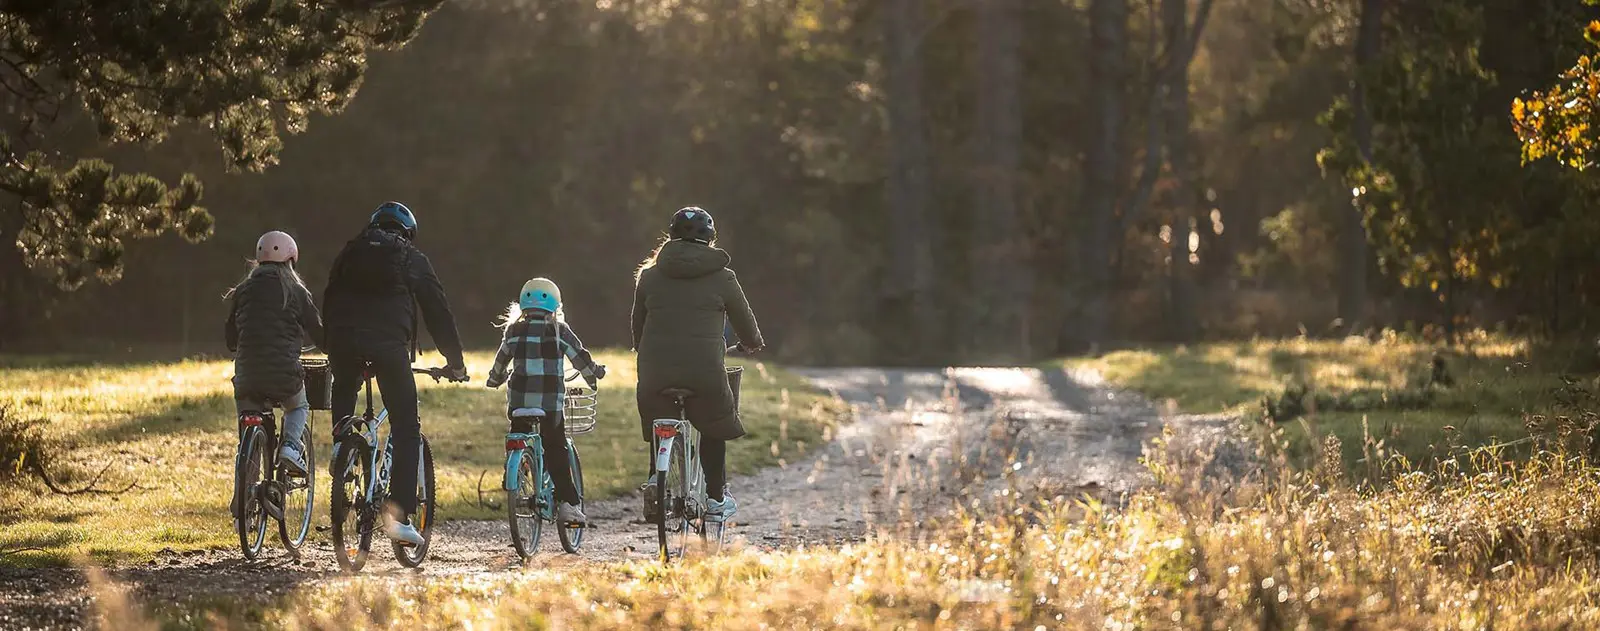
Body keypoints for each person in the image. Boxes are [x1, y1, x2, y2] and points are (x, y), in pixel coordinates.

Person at [322, 201, 468, 546]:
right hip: (388, 346)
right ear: (407, 232)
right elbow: (437, 309)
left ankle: (342, 450)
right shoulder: (410, 257)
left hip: (343, 342)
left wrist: (332, 342)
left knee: (345, 384)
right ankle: (400, 518)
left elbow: (329, 298)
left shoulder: (349, 252)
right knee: (405, 426)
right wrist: (455, 361)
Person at [631, 206, 763, 523]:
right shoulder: (723, 277)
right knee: (714, 422)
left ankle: (656, 479)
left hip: (655, 371)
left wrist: (642, 349)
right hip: (704, 372)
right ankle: (716, 499)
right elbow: (745, 323)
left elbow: (638, 326)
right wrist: (751, 343)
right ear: (710, 239)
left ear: (671, 236)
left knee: (661, 420)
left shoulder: (649, 276)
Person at [485, 278, 607, 524]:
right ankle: (568, 505)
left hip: (519, 404)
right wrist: (594, 374)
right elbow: (580, 359)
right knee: (555, 448)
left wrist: (495, 379)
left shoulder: (512, 331)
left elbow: (499, 364)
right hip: (550, 406)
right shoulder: (560, 330)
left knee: (518, 435)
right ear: (555, 305)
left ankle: (516, 471)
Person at [225, 231, 323, 506]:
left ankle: (243, 500)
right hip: (284, 376)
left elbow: (231, 339)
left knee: (247, 434)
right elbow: (318, 331)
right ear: (291, 261)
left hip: (247, 377)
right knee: (298, 406)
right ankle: (290, 447)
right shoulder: (296, 291)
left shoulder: (243, 291)